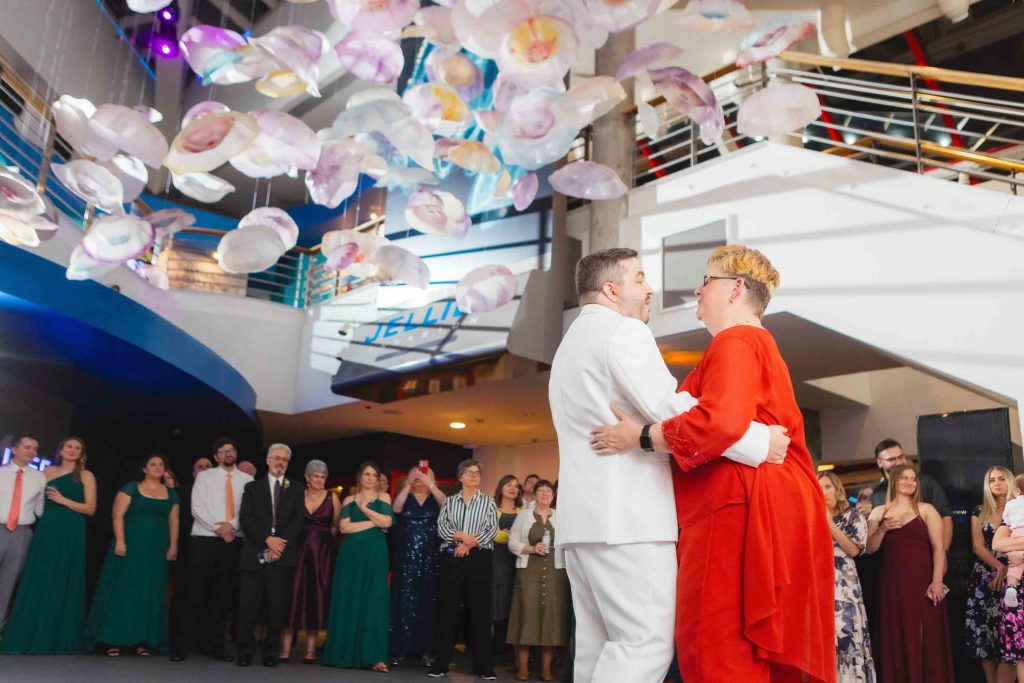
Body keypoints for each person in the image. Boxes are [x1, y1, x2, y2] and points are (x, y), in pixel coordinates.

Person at [591, 245, 835, 682]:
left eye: (707, 280)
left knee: (714, 641)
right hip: (763, 499)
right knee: (742, 648)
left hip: (740, 503)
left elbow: (717, 421)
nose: (698, 290)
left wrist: (641, 437)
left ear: (735, 289)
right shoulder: (752, 343)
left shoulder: (737, 340)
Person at [552, 248, 788, 683]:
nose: (650, 290)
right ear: (610, 289)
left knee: (596, 649)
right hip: (628, 520)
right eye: (640, 279)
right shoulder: (622, 332)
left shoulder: (568, 346)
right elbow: (670, 408)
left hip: (581, 523)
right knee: (644, 645)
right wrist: (760, 440)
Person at [1, 436, 95, 654]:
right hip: (46, 530)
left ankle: (54, 634)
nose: (72, 450)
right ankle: (27, 631)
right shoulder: (45, 473)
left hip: (71, 530)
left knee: (61, 578)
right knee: (38, 578)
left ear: (81, 453)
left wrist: (63, 501)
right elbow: (33, 502)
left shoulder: (86, 475)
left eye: (77, 448)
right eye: (69, 447)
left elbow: (90, 508)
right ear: (60, 450)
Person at [85, 453, 179, 656]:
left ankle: (143, 640)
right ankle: (113, 639)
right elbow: (117, 515)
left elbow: (174, 522)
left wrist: (173, 546)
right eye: (152, 464)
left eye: (161, 464)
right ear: (144, 469)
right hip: (130, 546)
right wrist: (120, 540)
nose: (157, 467)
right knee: (124, 591)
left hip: (156, 550)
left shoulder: (171, 494)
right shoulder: (131, 488)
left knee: (150, 593)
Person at [866, 463, 953, 682]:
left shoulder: (926, 509)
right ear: (894, 480)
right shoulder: (879, 512)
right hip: (892, 585)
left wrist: (937, 581)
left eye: (913, 479)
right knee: (896, 635)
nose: (910, 482)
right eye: (905, 478)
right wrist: (883, 529)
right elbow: (869, 548)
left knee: (925, 634)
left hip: (922, 581)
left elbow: (939, 547)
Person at [172, 437, 253, 662]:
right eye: (222, 451)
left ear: (235, 453)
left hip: (232, 542)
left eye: (231, 450)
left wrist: (233, 527)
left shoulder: (248, 479)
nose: (228, 454)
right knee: (194, 593)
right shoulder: (205, 477)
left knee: (223, 596)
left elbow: (247, 509)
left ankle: (217, 646)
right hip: (205, 539)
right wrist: (219, 529)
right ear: (216, 456)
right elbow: (197, 507)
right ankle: (181, 647)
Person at [428, 458, 499, 679]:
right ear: (460, 477)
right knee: (447, 612)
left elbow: (491, 531)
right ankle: (440, 665)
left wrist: (468, 544)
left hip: (479, 558)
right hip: (452, 558)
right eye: (470, 472)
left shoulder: (488, 502)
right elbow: (442, 528)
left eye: (477, 473)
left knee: (479, 612)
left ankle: (484, 667)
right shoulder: (450, 502)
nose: (475, 476)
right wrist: (462, 538)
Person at [235, 443, 304, 667]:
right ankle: (245, 651)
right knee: (248, 605)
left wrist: (278, 546)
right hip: (254, 553)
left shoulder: (295, 488)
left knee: (277, 606)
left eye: (284, 459)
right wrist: (267, 540)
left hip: (282, 556)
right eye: (276, 458)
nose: (280, 462)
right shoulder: (252, 488)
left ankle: (270, 652)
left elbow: (298, 520)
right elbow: (246, 518)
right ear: (267, 460)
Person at [323, 461, 394, 671]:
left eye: (374, 475)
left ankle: (374, 657)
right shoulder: (348, 499)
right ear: (359, 477)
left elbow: (388, 523)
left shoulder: (385, 497)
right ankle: (344, 654)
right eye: (367, 474)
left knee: (375, 602)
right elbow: (344, 527)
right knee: (350, 598)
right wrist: (375, 521)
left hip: (376, 554)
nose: (371, 478)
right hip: (351, 555)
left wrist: (364, 510)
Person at [507, 479, 569, 682]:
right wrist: (530, 549)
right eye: (540, 490)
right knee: (527, 617)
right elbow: (512, 541)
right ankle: (523, 669)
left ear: (553, 496)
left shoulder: (561, 517)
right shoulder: (524, 516)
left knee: (550, 620)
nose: (544, 493)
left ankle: (546, 670)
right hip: (529, 570)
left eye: (548, 491)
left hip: (555, 572)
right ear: (534, 495)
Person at [280, 459, 340, 664]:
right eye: (316, 476)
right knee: (292, 595)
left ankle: (311, 650)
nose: (320, 480)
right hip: (298, 550)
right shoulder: (297, 495)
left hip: (322, 554)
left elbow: (336, 527)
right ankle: (286, 648)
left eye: (323, 477)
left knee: (318, 597)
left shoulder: (333, 497)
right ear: (307, 478)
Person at [818, 472, 875, 682]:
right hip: (819, 585)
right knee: (825, 642)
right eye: (819, 488)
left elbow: (853, 549)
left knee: (847, 639)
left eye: (828, 487)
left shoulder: (853, 515)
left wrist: (830, 523)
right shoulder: (810, 518)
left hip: (844, 587)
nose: (824, 493)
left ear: (837, 490)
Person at [389, 465, 446, 668]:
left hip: (430, 559)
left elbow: (447, 506)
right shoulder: (405, 496)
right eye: (416, 474)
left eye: (425, 475)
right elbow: (395, 509)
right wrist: (408, 485)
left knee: (427, 603)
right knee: (404, 603)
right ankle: (400, 649)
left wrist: (431, 485)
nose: (420, 478)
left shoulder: (435, 499)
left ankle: (426, 651)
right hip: (405, 559)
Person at [965, 467, 1016, 683]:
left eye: (1001, 479)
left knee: (1010, 637)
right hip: (985, 578)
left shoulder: (1019, 508)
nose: (996, 483)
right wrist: (998, 567)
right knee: (984, 640)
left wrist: (1006, 568)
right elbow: (977, 545)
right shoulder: (980, 510)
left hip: (1015, 572)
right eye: (992, 480)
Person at [0, 434, 47, 638]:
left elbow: (40, 510)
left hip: (21, 533)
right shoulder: (1, 473)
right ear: (15, 449)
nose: (31, 452)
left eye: (35, 449)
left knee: (9, 583)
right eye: (27, 447)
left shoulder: (39, 477)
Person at [869, 439, 952, 551]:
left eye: (901, 457)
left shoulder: (926, 482)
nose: (898, 462)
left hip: (927, 553)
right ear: (880, 462)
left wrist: (943, 551)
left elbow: (945, 517)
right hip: (892, 557)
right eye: (892, 459)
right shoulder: (878, 493)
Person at [492, 475, 522, 660]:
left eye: (515, 486)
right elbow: (492, 535)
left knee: (513, 602)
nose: (512, 488)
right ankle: (492, 647)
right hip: (496, 560)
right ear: (500, 488)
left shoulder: (523, 511)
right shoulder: (492, 510)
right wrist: (510, 536)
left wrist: (507, 536)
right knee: (496, 601)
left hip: (517, 562)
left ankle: (509, 649)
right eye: (508, 484)